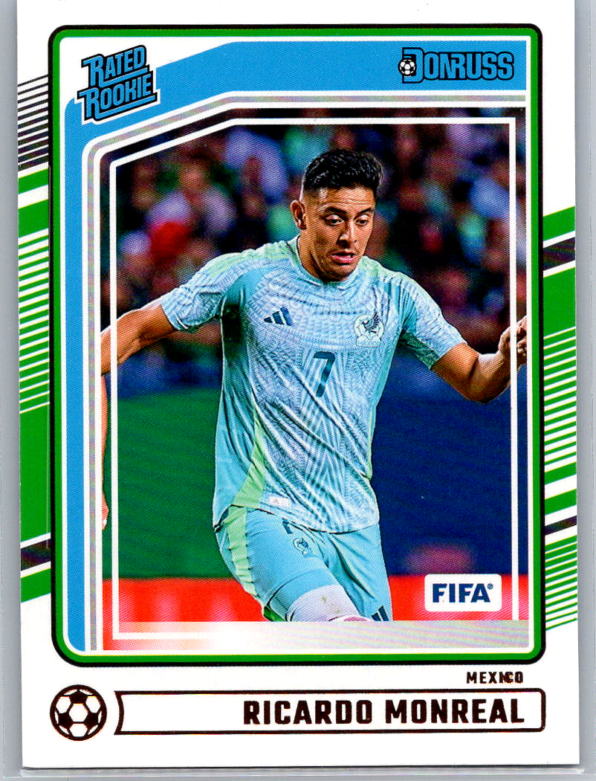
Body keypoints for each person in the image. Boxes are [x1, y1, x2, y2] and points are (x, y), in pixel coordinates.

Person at [101, 149, 527, 623]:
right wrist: (80, 370)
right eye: (334, 218)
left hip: (355, 523)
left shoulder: (396, 294)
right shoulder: (249, 276)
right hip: (262, 511)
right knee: (342, 635)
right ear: (300, 215)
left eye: (363, 220)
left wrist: (506, 357)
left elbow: (475, 380)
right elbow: (136, 329)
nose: (350, 236)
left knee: (369, 663)